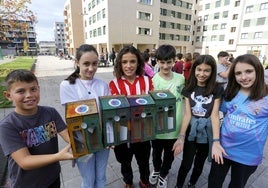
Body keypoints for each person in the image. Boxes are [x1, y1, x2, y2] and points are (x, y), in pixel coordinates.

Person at [0, 69, 74, 188]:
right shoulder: (7, 126)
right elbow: (24, 161)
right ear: (8, 95)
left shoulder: (50, 113)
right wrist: (58, 156)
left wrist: (84, 141)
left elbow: (67, 135)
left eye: (33, 89)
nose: (29, 95)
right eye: (21, 91)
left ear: (39, 89)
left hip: (52, 178)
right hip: (26, 183)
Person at [208, 54, 268, 188]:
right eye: (238, 73)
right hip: (222, 149)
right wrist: (216, 142)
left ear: (258, 70)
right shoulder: (230, 91)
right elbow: (217, 114)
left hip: (248, 155)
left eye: (249, 71)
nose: (244, 77)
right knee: (213, 182)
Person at [60, 44, 110, 188]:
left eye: (95, 64)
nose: (91, 68)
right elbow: (74, 115)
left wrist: (110, 135)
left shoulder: (102, 84)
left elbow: (106, 113)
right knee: (88, 179)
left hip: (101, 139)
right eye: (86, 64)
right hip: (81, 139)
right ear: (77, 63)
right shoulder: (67, 85)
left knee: (101, 177)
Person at [172, 55, 223, 188]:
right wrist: (181, 137)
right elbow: (188, 114)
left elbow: (215, 115)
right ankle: (178, 185)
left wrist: (216, 141)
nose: (202, 74)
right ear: (194, 69)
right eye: (199, 69)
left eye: (206, 70)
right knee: (186, 162)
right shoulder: (189, 87)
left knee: (200, 162)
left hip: (206, 131)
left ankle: (192, 182)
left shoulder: (217, 89)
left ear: (212, 72)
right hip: (191, 131)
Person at [109, 45, 153, 188]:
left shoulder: (147, 81)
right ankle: (128, 182)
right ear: (119, 64)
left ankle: (144, 181)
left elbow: (152, 105)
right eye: (124, 62)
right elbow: (114, 110)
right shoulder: (114, 84)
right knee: (125, 161)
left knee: (144, 160)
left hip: (143, 130)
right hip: (122, 131)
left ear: (138, 63)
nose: (128, 66)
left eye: (132, 61)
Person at [149, 45, 185, 188]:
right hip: (157, 128)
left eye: (169, 62)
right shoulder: (153, 80)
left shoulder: (181, 79)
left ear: (174, 61)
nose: (165, 66)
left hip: (174, 127)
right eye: (162, 62)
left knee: (169, 156)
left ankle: (164, 174)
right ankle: (156, 170)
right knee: (156, 154)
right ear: (157, 61)